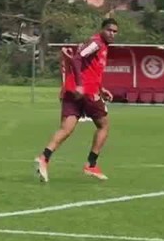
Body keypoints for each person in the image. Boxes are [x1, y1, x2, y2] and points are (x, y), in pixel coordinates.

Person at [35, 17, 119, 182]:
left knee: (66, 128)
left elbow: (88, 67)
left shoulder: (98, 45)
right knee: (104, 126)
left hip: (73, 90)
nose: (112, 34)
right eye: (109, 30)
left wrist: (101, 88)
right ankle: (91, 164)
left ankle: (44, 158)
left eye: (115, 32)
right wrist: (81, 85)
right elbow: (77, 58)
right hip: (85, 92)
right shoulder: (97, 43)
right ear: (102, 29)